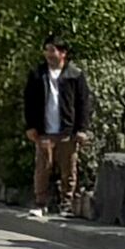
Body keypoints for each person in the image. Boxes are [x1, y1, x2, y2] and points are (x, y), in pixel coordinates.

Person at [23, 40, 91, 218]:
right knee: (43, 168)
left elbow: (83, 103)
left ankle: (66, 204)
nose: (48, 54)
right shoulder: (37, 75)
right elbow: (28, 102)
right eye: (46, 50)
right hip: (44, 130)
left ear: (63, 53)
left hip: (67, 131)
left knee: (68, 169)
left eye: (52, 50)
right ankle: (40, 203)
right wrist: (30, 125)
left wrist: (81, 129)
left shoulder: (74, 75)